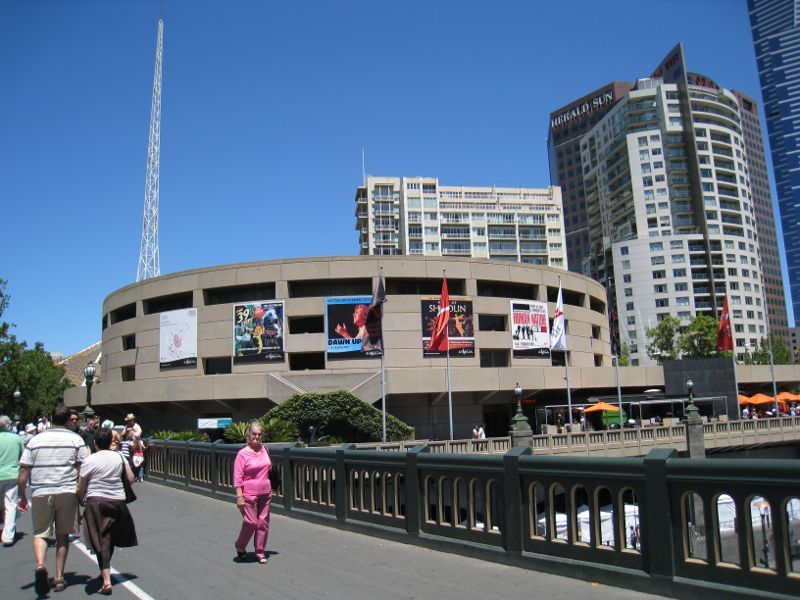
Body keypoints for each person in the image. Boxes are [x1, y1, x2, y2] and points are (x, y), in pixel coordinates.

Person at [17, 404, 87, 594]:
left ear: (51, 417)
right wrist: (82, 494)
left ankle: (40, 565)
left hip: (41, 490)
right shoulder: (76, 440)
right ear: (67, 420)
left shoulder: (35, 440)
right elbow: (82, 470)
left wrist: (22, 494)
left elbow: (24, 469)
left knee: (41, 533)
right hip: (67, 491)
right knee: (63, 535)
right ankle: (58, 577)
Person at [76, 427, 138, 595]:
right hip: (117, 501)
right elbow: (131, 479)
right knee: (109, 538)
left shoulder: (90, 460)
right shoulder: (119, 456)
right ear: (111, 441)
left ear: (95, 443)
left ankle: (106, 579)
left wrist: (80, 499)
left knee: (100, 538)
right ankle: (105, 569)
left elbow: (82, 486)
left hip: (95, 502)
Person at [233, 421, 272, 564]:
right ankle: (240, 545)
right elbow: (237, 477)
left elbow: (269, 469)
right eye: (254, 434)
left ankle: (260, 551)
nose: (257, 436)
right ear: (248, 435)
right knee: (251, 522)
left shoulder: (265, 449)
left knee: (263, 523)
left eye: (259, 434)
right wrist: (239, 496)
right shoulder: (242, 454)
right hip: (249, 494)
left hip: (266, 492)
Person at [0, 415, 25, 546]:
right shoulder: (16, 438)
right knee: (10, 504)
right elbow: (23, 456)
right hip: (12, 474)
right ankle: (8, 535)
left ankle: (5, 531)